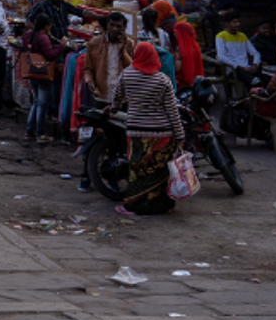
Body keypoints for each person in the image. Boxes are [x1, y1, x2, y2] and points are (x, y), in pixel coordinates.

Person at [110, 43, 184, 217]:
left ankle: (133, 206)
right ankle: (162, 206)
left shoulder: (127, 74)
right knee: (160, 171)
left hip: (137, 132)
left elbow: (117, 97)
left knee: (138, 171)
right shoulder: (163, 80)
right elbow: (173, 111)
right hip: (162, 133)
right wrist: (180, 136)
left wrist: (113, 109)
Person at [22, 14, 66, 142]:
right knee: (41, 104)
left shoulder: (30, 35)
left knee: (36, 102)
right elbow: (50, 55)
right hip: (42, 73)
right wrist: (62, 46)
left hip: (31, 71)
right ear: (46, 26)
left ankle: (29, 130)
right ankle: (40, 133)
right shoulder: (42, 37)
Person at [82, 13, 136, 104]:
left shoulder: (129, 44)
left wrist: (123, 51)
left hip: (122, 98)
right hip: (101, 95)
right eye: (112, 25)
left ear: (124, 28)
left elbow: (131, 68)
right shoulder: (94, 43)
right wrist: (89, 81)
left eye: (118, 26)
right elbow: (88, 68)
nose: (114, 29)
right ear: (107, 25)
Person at [214, 15, 264, 89]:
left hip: (247, 67)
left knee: (263, 78)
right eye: (234, 22)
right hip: (234, 69)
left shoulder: (242, 36)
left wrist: (255, 65)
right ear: (227, 24)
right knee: (255, 82)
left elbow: (255, 53)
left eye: (238, 22)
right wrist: (238, 66)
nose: (238, 24)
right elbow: (221, 57)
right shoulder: (221, 36)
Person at [171, 21, 203, 92]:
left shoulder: (179, 49)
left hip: (183, 82)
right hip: (196, 80)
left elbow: (177, 68)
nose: (174, 34)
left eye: (175, 32)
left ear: (181, 33)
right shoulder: (195, 46)